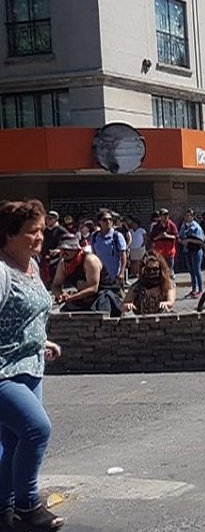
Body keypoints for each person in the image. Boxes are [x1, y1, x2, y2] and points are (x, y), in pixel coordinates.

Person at [0, 199, 65, 532]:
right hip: (3, 371)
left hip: (30, 366)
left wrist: (41, 341)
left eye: (41, 230)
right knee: (37, 428)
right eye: (31, 232)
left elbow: (29, 314)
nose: (40, 237)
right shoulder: (1, 269)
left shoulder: (32, 265)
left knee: (11, 442)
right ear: (9, 234)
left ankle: (4, 510)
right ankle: (26, 505)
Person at [51, 233, 121, 316]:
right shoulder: (63, 264)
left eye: (67, 249)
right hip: (83, 297)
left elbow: (93, 288)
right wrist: (60, 295)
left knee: (102, 305)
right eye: (62, 249)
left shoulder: (90, 260)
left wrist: (71, 298)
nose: (63, 253)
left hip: (105, 295)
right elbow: (56, 285)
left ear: (76, 249)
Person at [90, 209, 128, 290]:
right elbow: (93, 255)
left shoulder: (117, 236)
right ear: (99, 222)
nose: (108, 221)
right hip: (100, 276)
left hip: (114, 276)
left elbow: (123, 255)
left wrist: (122, 272)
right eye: (105, 219)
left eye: (110, 219)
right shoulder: (94, 236)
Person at [178, 209, 205, 298]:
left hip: (196, 251)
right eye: (186, 215)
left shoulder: (196, 227)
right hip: (187, 251)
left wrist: (189, 240)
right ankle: (194, 290)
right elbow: (180, 236)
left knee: (197, 270)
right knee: (191, 271)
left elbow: (201, 241)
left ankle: (201, 290)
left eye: (189, 215)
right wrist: (181, 241)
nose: (187, 217)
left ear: (193, 216)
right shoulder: (184, 226)